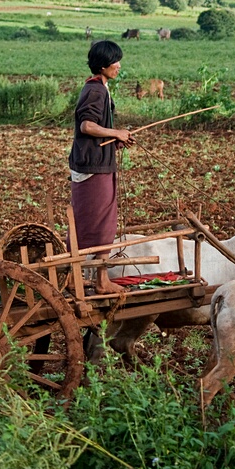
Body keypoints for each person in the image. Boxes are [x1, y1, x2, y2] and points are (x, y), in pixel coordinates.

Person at [68, 40, 135, 295]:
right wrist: (116, 132)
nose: (119, 66)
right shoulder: (95, 91)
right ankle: (100, 280)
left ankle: (82, 276)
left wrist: (116, 140)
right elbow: (87, 126)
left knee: (92, 220)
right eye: (115, 61)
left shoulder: (99, 88)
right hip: (93, 167)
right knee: (99, 222)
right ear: (104, 65)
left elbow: (95, 130)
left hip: (96, 162)